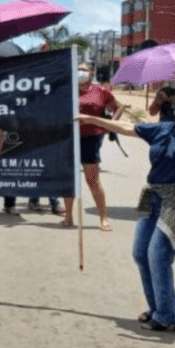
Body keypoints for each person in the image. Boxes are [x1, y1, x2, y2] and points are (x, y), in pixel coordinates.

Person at [77, 61, 175, 332]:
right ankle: (157, 307)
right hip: (152, 195)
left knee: (158, 254)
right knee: (141, 253)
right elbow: (128, 128)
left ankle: (167, 315)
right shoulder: (164, 129)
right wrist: (93, 119)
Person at [62, 62, 126, 231]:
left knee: (93, 180)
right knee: (69, 178)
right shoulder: (68, 89)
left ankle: (103, 217)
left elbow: (119, 107)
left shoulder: (101, 91)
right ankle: (68, 216)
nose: (80, 72)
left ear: (92, 73)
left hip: (91, 138)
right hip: (70, 138)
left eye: (84, 69)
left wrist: (110, 125)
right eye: (78, 69)